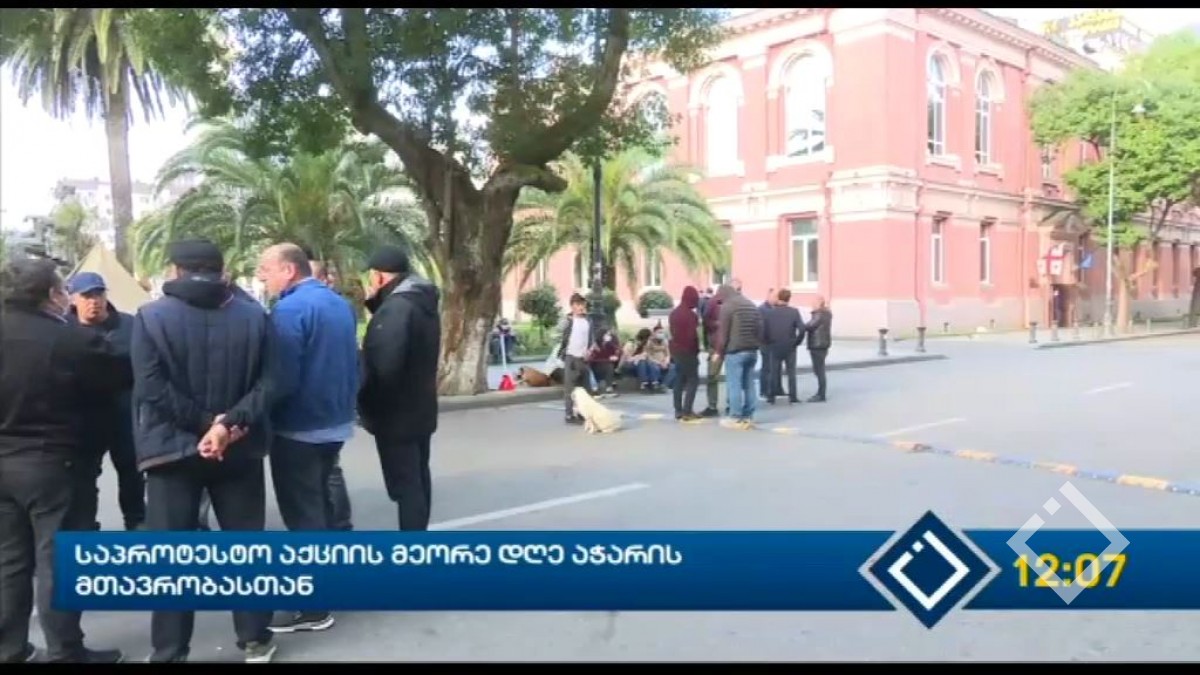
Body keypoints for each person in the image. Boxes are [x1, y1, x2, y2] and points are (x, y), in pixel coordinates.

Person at [132, 239, 276, 663]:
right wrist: (226, 426)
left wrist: (204, 424)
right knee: (244, 546)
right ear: (221, 269)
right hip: (239, 449)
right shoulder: (255, 316)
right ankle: (254, 638)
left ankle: (170, 650)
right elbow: (272, 382)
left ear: (175, 270)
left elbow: (150, 386)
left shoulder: (151, 316)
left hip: (171, 452)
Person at [0, 259, 130, 664]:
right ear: (52, 295)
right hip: (53, 461)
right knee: (57, 559)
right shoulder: (67, 339)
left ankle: (10, 648)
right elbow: (117, 375)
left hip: (4, 462)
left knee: (10, 560)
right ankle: (65, 650)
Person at [257, 244, 358, 634]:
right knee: (324, 507)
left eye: (266, 269)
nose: (262, 276)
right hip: (335, 423)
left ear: (289, 270)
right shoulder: (338, 304)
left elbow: (281, 377)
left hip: (299, 426)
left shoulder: (289, 311)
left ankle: (313, 607)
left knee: (304, 516)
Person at [358, 246, 441, 531]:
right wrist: (376, 305)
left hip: (396, 414)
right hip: (420, 408)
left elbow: (384, 364)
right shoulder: (420, 301)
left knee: (405, 486)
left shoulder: (396, 309)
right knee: (418, 478)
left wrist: (366, 403)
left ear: (380, 277)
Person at [64, 272, 145, 531]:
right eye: (86, 296)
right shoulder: (63, 329)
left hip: (124, 413)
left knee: (132, 473)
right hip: (84, 417)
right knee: (84, 477)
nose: (94, 301)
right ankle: (87, 526)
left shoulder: (129, 325)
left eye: (98, 294)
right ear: (73, 299)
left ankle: (136, 522)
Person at [302, 251, 354, 532]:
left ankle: (332, 525)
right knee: (330, 469)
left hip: (315, 407)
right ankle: (340, 524)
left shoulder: (299, 309)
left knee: (322, 474)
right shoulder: (342, 308)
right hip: (337, 406)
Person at [714, 283, 764, 429]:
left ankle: (735, 416)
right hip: (752, 350)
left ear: (723, 295)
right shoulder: (751, 304)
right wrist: (757, 343)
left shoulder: (728, 307)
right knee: (749, 384)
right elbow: (760, 328)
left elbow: (723, 333)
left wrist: (719, 352)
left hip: (735, 351)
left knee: (734, 384)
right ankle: (748, 415)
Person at [555, 293, 593, 424]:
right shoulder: (569, 321)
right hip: (571, 357)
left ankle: (583, 413)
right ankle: (569, 414)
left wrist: (590, 350)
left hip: (584, 358)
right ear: (572, 306)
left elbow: (590, 339)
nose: (581, 307)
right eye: (578, 305)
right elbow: (559, 336)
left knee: (586, 388)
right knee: (570, 388)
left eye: (582, 304)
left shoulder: (588, 321)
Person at [763, 288, 805, 404]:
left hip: (774, 345)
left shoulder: (770, 313)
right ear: (789, 299)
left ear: (778, 298)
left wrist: (767, 341)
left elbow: (764, 329)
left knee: (773, 371)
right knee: (791, 372)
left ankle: (771, 396)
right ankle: (793, 396)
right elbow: (802, 329)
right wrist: (797, 342)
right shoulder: (794, 312)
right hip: (790, 346)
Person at [668, 286, 702, 421]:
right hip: (689, 352)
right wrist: (697, 350)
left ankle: (678, 410)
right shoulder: (691, 316)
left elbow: (672, 333)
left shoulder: (673, 313)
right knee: (693, 380)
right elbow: (693, 336)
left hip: (676, 351)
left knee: (679, 379)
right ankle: (688, 410)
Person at [698, 288, 724, 418]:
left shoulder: (712, 304)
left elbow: (706, 323)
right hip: (728, 346)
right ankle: (732, 405)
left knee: (712, 376)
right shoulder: (730, 304)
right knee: (733, 378)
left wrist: (708, 345)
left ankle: (712, 406)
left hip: (716, 348)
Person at [805, 296, 833, 402]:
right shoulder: (826, 313)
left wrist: (800, 325)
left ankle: (821, 394)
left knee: (819, 370)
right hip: (823, 344)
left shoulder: (819, 314)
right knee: (819, 369)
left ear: (819, 303)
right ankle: (821, 393)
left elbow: (810, 326)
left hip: (817, 344)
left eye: (814, 303)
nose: (812, 304)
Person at [587, 329, 621, 396]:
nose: (609, 336)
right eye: (607, 334)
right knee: (608, 365)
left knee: (609, 366)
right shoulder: (595, 345)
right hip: (595, 367)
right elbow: (591, 358)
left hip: (606, 367)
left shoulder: (610, 345)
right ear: (602, 335)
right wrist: (607, 359)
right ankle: (602, 387)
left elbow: (617, 354)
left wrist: (615, 356)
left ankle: (609, 388)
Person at [758, 289, 777, 399]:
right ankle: (764, 390)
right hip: (765, 342)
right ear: (768, 296)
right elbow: (761, 327)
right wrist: (762, 340)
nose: (776, 299)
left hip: (774, 342)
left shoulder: (775, 308)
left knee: (772, 367)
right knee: (766, 367)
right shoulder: (762, 309)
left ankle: (773, 389)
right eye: (774, 297)